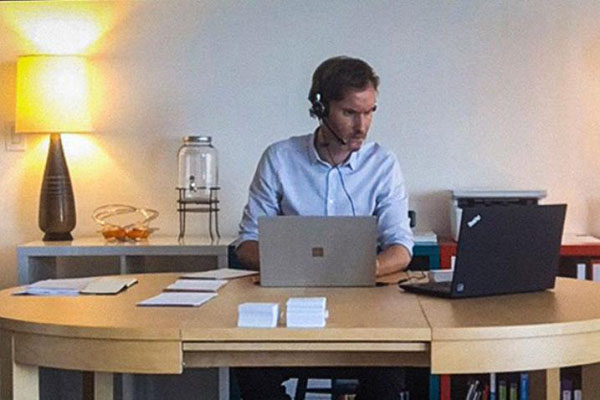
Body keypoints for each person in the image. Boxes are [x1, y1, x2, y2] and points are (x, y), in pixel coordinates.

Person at [234, 56, 414, 400]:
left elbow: (401, 247)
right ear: (320, 108)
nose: (362, 125)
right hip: (291, 314)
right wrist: (294, 266)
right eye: (350, 113)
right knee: (246, 362)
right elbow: (245, 243)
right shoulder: (280, 158)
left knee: (394, 370)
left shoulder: (383, 164)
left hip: (364, 315)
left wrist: (362, 268)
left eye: (370, 111)